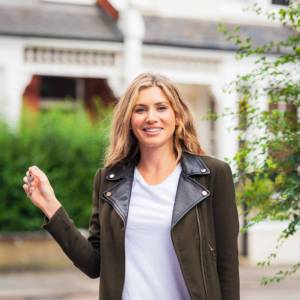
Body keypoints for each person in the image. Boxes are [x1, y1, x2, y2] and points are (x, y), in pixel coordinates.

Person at [23, 73, 240, 300]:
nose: (151, 117)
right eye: (140, 110)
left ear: (177, 116)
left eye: (161, 108)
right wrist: (51, 206)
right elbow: (93, 263)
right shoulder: (109, 180)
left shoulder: (212, 175)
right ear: (129, 121)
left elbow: (227, 264)